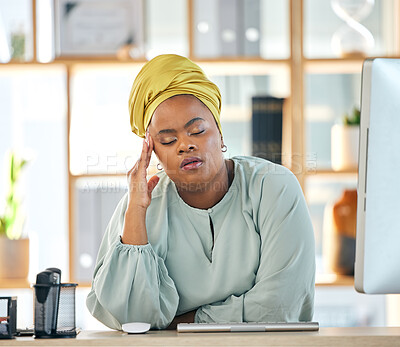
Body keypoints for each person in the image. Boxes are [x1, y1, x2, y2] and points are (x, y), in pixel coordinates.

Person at [86, 54, 315, 330]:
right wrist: (136, 211)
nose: (185, 145)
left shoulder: (274, 187)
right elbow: (134, 321)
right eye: (168, 140)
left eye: (197, 130)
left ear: (220, 132)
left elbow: (279, 307)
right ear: (153, 151)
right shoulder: (141, 203)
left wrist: (183, 323)